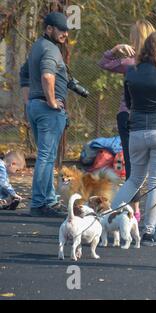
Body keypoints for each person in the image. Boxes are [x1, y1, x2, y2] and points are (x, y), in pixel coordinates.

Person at [98, 20, 156, 223]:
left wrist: (114, 50)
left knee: (133, 169)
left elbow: (104, 64)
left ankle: (129, 211)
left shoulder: (130, 65)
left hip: (131, 119)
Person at [19, 12, 71, 217]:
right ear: (49, 28)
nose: (65, 34)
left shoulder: (37, 46)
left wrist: (29, 100)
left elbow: (23, 73)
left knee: (46, 156)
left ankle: (48, 200)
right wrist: (51, 102)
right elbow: (48, 76)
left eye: (67, 30)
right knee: (46, 157)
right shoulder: (50, 49)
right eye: (61, 30)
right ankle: (40, 203)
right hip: (48, 110)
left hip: (35, 106)